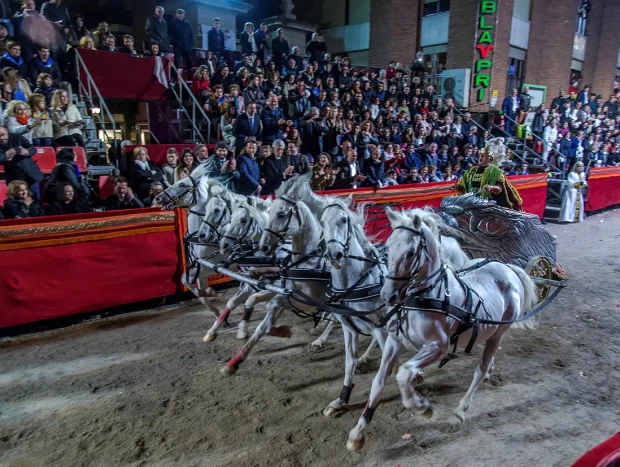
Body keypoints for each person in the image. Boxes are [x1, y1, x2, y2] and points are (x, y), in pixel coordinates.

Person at [454, 138, 523, 210]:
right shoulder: (472, 170)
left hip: (487, 205)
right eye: (481, 155)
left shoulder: (496, 172)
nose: (481, 157)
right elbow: (463, 183)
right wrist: (458, 185)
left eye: (484, 155)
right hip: (471, 203)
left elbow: (500, 189)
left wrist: (491, 187)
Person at [0, 124, 41, 199]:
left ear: (6, 131)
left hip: (31, 173)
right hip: (14, 178)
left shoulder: (17, 137)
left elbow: (32, 148)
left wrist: (27, 152)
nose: (2, 138)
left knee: (36, 200)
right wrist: (6, 157)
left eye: (3, 134)